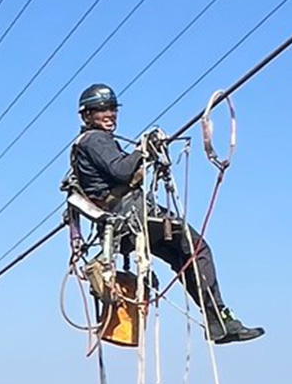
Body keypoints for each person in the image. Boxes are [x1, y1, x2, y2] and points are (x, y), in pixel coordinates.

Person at [68, 85, 264, 344]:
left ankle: (218, 321)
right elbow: (122, 171)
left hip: (125, 225)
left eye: (112, 109)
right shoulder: (95, 139)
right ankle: (218, 318)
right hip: (134, 218)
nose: (110, 114)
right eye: (102, 110)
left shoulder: (88, 144)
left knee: (184, 259)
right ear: (87, 115)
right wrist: (143, 149)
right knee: (197, 249)